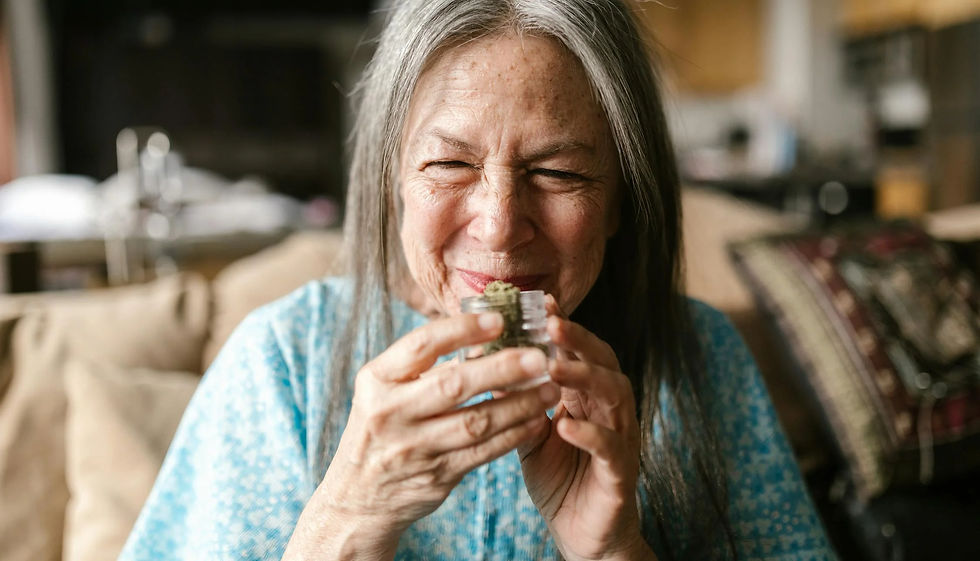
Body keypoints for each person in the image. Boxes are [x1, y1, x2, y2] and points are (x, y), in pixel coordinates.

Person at [120, 0, 837, 559]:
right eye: (449, 164)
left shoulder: (702, 359)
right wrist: (348, 515)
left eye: (557, 172)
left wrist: (615, 548)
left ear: (621, 197)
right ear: (392, 177)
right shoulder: (282, 360)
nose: (498, 226)